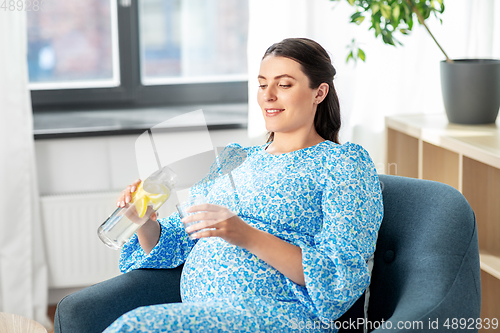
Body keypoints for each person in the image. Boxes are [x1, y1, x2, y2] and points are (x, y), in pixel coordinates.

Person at [62, 38, 384, 333]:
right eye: (261, 85)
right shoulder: (234, 158)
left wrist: (243, 234)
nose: (268, 96)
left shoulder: (344, 164)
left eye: (284, 84)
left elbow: (338, 277)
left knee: (136, 327)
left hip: (280, 316)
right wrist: (143, 222)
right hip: (204, 312)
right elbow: (176, 243)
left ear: (319, 92)